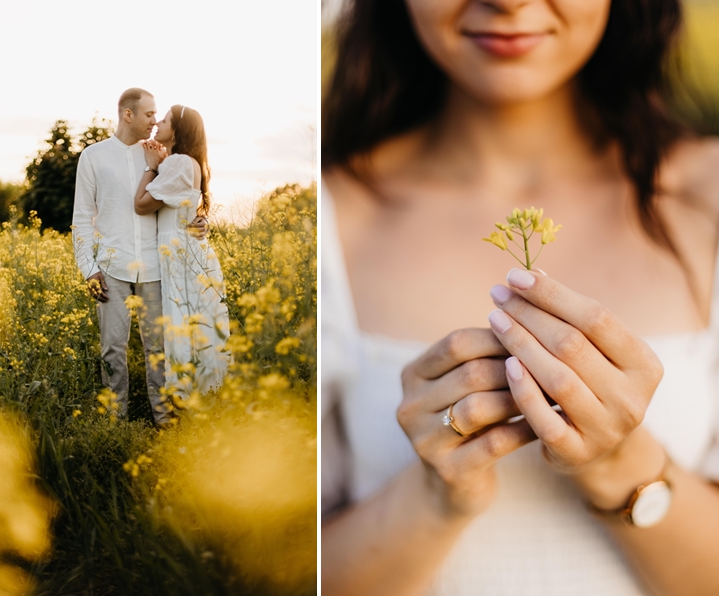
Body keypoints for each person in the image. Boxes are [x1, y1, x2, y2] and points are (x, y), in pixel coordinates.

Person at [321, 1, 719, 595]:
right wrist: (435, 495)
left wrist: (622, 464)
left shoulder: (707, 194)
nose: (508, 2)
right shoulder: (325, 217)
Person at [72, 88, 198, 428]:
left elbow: (183, 199)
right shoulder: (93, 157)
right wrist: (89, 268)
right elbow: (82, 217)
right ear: (128, 115)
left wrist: (200, 222)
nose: (154, 121)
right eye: (148, 114)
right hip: (111, 268)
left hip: (156, 267)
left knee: (158, 351)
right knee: (112, 350)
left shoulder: (160, 155)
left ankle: (165, 424)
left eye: (158, 115)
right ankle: (115, 426)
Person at [134, 105, 230, 399]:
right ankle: (202, 397)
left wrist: (151, 165)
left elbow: (141, 205)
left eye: (164, 120)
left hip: (179, 254)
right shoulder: (184, 162)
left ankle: (184, 398)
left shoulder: (177, 163)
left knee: (182, 322)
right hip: (188, 250)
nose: (157, 124)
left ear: (177, 130)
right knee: (194, 323)